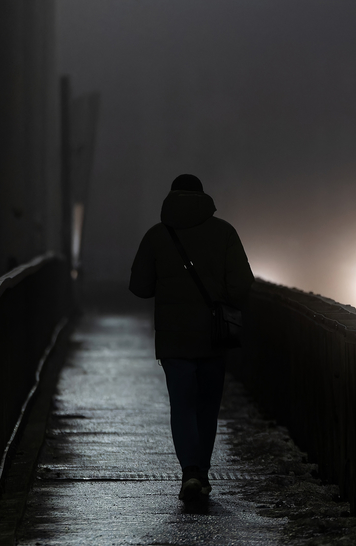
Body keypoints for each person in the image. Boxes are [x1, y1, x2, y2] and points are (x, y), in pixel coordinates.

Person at [129, 174, 254, 500]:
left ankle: (190, 472)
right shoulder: (225, 232)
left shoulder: (157, 235)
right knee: (207, 407)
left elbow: (140, 287)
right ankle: (203, 471)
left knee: (182, 406)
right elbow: (242, 285)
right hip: (214, 334)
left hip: (173, 337)